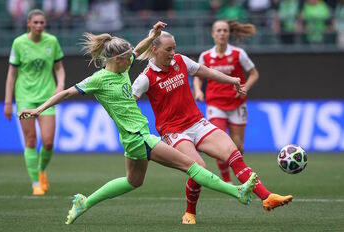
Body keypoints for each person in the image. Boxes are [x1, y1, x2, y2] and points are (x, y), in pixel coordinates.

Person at [19, 21, 258, 225]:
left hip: (133, 137)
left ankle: (85, 201)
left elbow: (141, 48)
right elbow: (66, 93)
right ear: (117, 59)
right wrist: (40, 109)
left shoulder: (122, 67)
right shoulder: (98, 79)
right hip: (138, 137)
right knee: (192, 166)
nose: (133, 61)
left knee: (133, 181)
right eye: (128, 58)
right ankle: (236, 191)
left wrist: (153, 35)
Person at [132, 25, 292, 225]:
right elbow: (128, 102)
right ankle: (190, 213)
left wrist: (232, 80)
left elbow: (204, 71)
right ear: (154, 49)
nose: (173, 53)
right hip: (174, 131)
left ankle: (267, 197)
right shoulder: (145, 78)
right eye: (168, 49)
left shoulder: (180, 61)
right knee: (198, 166)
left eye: (174, 48)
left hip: (196, 122)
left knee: (233, 153)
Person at [4, 9, 66, 196]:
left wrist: (60, 84)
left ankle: (40, 170)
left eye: (42, 22)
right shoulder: (19, 43)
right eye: (36, 22)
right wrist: (8, 102)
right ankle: (35, 183)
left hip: (46, 97)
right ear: (29, 24)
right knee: (30, 141)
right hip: (25, 97)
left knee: (47, 143)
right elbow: (11, 75)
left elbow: (59, 68)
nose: (39, 25)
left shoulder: (52, 41)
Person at [194, 20, 258, 183]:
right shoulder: (206, 56)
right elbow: (198, 77)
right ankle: (227, 181)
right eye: (219, 31)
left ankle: (238, 172)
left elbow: (254, 74)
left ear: (229, 34)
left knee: (238, 147)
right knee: (221, 145)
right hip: (215, 105)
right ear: (213, 34)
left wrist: (246, 87)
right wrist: (198, 90)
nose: (222, 33)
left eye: (225, 30)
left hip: (237, 104)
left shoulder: (238, 53)